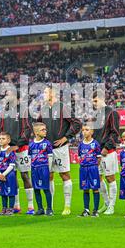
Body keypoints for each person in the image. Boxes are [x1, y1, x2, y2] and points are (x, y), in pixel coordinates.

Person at [38, 86, 82, 215]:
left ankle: (67, 206)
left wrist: (66, 137)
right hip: (47, 149)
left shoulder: (63, 107)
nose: (44, 94)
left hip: (60, 148)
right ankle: (50, 207)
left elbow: (77, 123)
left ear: (52, 93)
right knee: (49, 176)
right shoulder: (44, 108)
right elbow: (38, 124)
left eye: (45, 92)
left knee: (64, 175)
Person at [0, 89, 34, 214]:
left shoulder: (23, 110)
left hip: (20, 149)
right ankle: (16, 206)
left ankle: (30, 205)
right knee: (12, 177)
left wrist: (18, 145)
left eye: (9, 95)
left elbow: (27, 129)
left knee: (24, 175)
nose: (6, 97)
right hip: (7, 150)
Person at [92, 91, 120, 215]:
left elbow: (115, 132)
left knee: (110, 177)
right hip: (97, 152)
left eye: (96, 100)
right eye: (93, 101)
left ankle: (112, 206)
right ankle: (107, 203)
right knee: (98, 178)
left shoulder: (112, 113)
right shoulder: (96, 115)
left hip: (108, 151)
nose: (94, 103)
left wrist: (107, 147)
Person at [28, 122, 54, 216]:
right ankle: (40, 209)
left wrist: (50, 169)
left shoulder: (47, 143)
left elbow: (50, 157)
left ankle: (49, 209)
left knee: (46, 189)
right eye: (42, 130)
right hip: (34, 169)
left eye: (45, 129)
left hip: (44, 168)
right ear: (36, 132)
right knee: (36, 189)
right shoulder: (31, 145)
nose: (45, 131)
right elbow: (30, 157)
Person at [78, 123, 102, 217]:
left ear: (92, 131)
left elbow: (99, 158)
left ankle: (95, 210)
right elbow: (80, 157)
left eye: (87, 130)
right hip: (83, 169)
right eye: (83, 130)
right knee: (85, 189)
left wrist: (95, 167)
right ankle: (86, 210)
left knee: (95, 188)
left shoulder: (95, 144)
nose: (84, 132)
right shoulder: (80, 145)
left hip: (93, 168)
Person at [0, 132, 18, 216]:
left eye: (3, 139)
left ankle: (10, 208)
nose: (0, 140)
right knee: (2, 192)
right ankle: (4, 208)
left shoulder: (10, 150)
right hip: (0, 174)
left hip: (9, 174)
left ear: (8, 140)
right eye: (0, 138)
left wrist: (3, 174)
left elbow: (12, 165)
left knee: (10, 192)